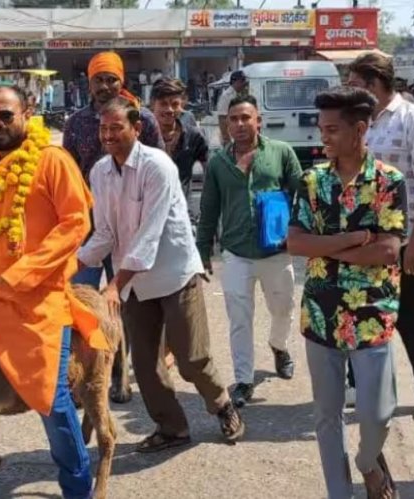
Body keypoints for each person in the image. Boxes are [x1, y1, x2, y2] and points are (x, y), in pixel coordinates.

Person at [0, 85, 107, 498]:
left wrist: (24, 273)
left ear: (28, 112)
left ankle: (77, 488)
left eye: (5, 115)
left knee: (51, 402)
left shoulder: (52, 160)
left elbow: (75, 224)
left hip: (37, 307)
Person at [78, 97, 245, 452]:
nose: (108, 135)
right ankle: (172, 427)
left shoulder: (158, 166)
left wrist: (113, 286)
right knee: (145, 363)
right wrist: (69, 266)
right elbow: (105, 233)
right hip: (134, 282)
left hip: (173, 274)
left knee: (191, 358)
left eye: (116, 128)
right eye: (103, 129)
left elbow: (148, 237)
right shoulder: (100, 172)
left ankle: (222, 404)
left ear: (136, 128)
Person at [288, 86, 405, 499]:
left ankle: (368, 462)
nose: (324, 137)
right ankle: (340, 492)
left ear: (360, 129)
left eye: (332, 129)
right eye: (322, 128)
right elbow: (296, 243)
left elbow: (389, 250)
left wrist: (328, 244)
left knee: (378, 414)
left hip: (372, 313)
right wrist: (355, 238)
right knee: (326, 416)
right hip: (320, 313)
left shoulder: (390, 182)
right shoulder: (312, 181)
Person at [348, 52, 414, 423]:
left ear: (374, 84)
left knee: (406, 314)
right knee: (359, 309)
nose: (351, 92)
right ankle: (361, 386)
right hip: (361, 240)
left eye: (356, 85)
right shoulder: (360, 123)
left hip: (405, 240)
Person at [197, 95, 301, 408]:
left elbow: (302, 195)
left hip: (276, 252)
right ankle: (244, 380)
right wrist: (202, 250)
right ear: (226, 124)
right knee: (239, 319)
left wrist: (297, 232)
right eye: (234, 119)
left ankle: (279, 346)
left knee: (283, 308)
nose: (240, 124)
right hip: (236, 253)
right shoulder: (219, 162)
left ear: (259, 121)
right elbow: (209, 208)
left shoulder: (281, 153)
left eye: (246, 118)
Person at [64, 51, 165, 287]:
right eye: (98, 80)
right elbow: (68, 174)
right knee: (80, 299)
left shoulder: (143, 119)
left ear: (122, 82)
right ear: (88, 83)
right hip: (88, 225)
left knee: (124, 298)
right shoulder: (76, 123)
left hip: (132, 222)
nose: (105, 86)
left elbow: (159, 165)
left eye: (111, 79)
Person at [150, 77, 208, 201]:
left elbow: (210, 174)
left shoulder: (194, 136)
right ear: (152, 104)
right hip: (146, 212)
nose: (169, 109)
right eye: (163, 104)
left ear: (181, 105)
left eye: (174, 104)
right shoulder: (140, 136)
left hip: (180, 213)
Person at [216, 70, 249, 145]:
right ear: (235, 81)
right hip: (230, 137)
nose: (244, 84)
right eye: (242, 81)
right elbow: (222, 118)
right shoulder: (226, 96)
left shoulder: (238, 94)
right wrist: (227, 139)